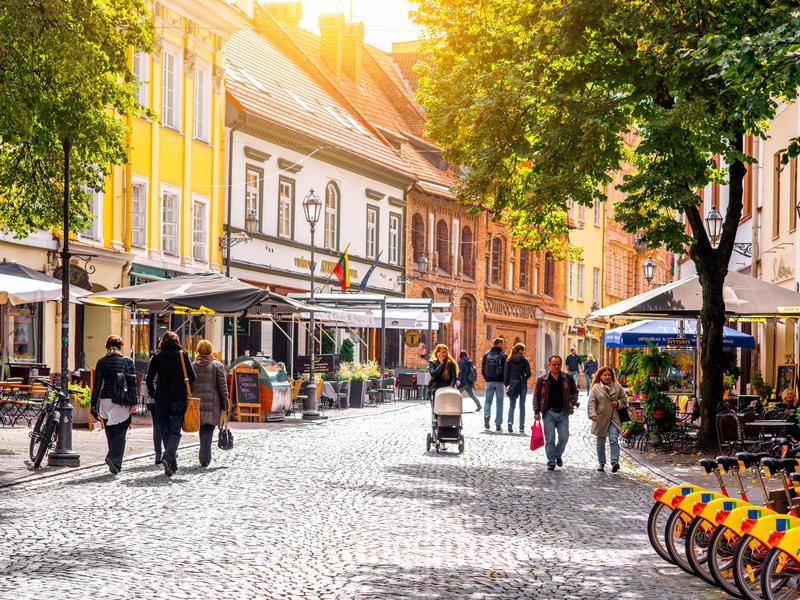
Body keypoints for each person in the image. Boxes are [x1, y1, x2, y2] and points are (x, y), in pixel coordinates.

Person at [145, 331, 195, 477]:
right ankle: (168, 458)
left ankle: (171, 463)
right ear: (177, 341)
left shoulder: (157, 355)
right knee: (175, 429)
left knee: (165, 429)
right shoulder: (182, 354)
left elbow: (149, 379)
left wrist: (154, 393)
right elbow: (192, 376)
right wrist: (185, 387)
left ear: (163, 341)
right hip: (178, 396)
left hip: (161, 397)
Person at [90, 335, 137, 475]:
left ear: (107, 346)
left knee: (110, 433)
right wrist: (134, 403)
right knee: (120, 433)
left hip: (105, 400)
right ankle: (113, 458)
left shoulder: (102, 362)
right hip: (121, 401)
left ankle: (115, 464)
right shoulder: (127, 361)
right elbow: (132, 384)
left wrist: (93, 405)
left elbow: (97, 385)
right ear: (121, 346)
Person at [533, 355, 578, 470]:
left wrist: (572, 403)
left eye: (558, 364)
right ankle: (551, 461)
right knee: (550, 439)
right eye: (554, 364)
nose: (556, 366)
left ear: (561, 365)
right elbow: (536, 396)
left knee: (564, 438)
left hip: (563, 413)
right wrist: (536, 411)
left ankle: (557, 455)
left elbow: (575, 391)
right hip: (548, 413)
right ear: (549, 365)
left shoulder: (567, 378)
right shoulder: (542, 380)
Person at [191, 340, 230, 468]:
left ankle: (204, 455)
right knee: (208, 429)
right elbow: (223, 388)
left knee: (203, 429)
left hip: (197, 403)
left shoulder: (193, 366)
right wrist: (226, 403)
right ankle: (204, 458)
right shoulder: (217, 366)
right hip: (213, 404)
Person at [587, 366, 628, 472]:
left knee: (614, 439)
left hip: (614, 418)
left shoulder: (617, 386)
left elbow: (624, 399)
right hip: (600, 418)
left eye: (609, 375)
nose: (607, 377)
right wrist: (592, 414)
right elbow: (591, 402)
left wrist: (618, 402)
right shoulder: (596, 387)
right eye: (605, 375)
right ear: (600, 376)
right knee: (600, 442)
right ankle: (601, 463)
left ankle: (615, 462)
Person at [504, 342, 531, 433]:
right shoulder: (524, 360)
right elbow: (529, 374)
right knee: (522, 406)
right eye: (523, 349)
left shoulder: (509, 360)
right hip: (522, 384)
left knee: (512, 405)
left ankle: (510, 422)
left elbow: (506, 373)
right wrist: (524, 378)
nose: (524, 351)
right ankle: (521, 427)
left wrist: (506, 384)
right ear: (520, 350)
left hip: (513, 383)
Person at [481, 337, 507, 432]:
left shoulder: (486, 354)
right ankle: (498, 424)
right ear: (499, 344)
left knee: (488, 401)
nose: (503, 345)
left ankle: (487, 415)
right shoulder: (504, 355)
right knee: (499, 403)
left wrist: (487, 378)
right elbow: (506, 370)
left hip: (489, 382)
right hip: (500, 382)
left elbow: (482, 369)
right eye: (503, 343)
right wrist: (505, 381)